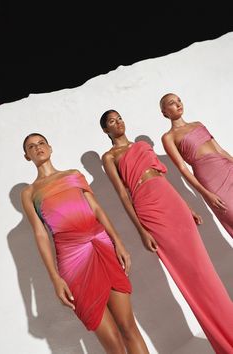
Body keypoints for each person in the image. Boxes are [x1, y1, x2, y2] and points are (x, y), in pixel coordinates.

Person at [99, 109, 233, 353]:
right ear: (105, 130)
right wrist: (141, 231)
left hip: (171, 200)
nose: (118, 123)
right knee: (190, 275)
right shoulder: (109, 157)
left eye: (120, 118)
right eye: (111, 121)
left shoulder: (141, 145)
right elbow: (122, 194)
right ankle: (224, 339)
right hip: (148, 208)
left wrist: (187, 206)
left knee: (205, 268)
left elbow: (164, 178)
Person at [21, 133, 150, 354]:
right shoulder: (30, 192)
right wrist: (55, 279)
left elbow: (97, 209)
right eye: (32, 147)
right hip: (73, 263)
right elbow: (40, 235)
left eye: (41, 143)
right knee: (112, 342)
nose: (38, 148)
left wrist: (118, 242)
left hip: (101, 247)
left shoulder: (73, 175)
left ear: (50, 147)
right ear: (27, 156)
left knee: (128, 328)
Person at [160, 92, 233, 239]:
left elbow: (219, 150)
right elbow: (182, 168)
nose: (178, 104)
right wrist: (205, 193)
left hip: (227, 168)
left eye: (179, 100)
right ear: (164, 112)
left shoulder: (198, 124)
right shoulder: (169, 137)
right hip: (211, 181)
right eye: (172, 103)